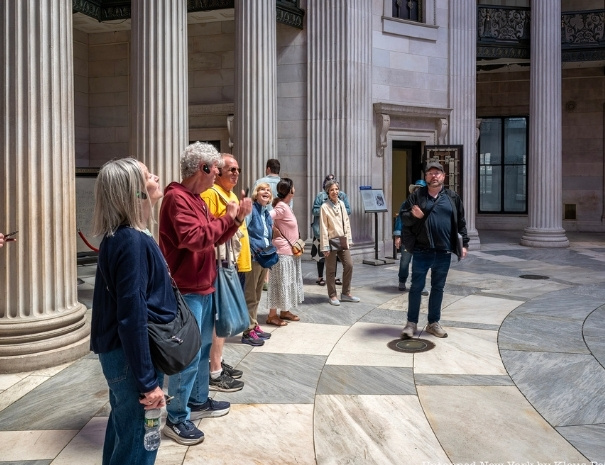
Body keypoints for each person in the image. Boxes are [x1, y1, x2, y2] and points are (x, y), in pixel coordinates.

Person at [159, 142, 252, 446]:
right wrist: (229, 219)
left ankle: (197, 400)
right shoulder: (176, 199)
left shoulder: (196, 199)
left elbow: (214, 235)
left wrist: (235, 219)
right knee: (186, 356)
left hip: (204, 285)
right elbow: (195, 239)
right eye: (217, 169)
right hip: (187, 291)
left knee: (202, 349)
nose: (220, 174)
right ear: (203, 168)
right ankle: (176, 418)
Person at [90, 158, 168, 465]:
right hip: (132, 358)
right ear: (135, 191)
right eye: (149, 176)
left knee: (125, 430)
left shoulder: (125, 237)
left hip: (125, 356)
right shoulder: (132, 241)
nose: (157, 178)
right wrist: (148, 381)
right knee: (139, 439)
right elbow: (132, 315)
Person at [400, 162, 469, 339]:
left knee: (438, 288)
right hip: (422, 251)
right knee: (416, 287)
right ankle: (411, 323)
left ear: (443, 176)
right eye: (430, 173)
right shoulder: (417, 196)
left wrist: (464, 244)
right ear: (426, 177)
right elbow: (404, 217)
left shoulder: (452, 197)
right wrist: (413, 216)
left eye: (437, 173)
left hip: (443, 251)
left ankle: (433, 323)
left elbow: (461, 222)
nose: (434, 176)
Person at [201, 154, 249, 392]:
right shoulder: (211, 194)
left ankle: (216, 360)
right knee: (219, 318)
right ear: (217, 171)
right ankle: (214, 370)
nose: (235, 173)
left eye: (237, 170)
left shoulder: (229, 194)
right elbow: (208, 231)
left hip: (231, 262)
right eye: (231, 169)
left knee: (225, 316)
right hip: (218, 263)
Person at [266, 178, 304, 326]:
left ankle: (284, 311)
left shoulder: (286, 205)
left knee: (287, 282)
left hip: (290, 251)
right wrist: (272, 230)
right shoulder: (281, 207)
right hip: (282, 251)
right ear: (290, 190)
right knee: (279, 283)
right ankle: (272, 315)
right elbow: (267, 217)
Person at [243, 182, 274, 344]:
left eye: (268, 190)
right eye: (262, 189)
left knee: (257, 294)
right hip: (253, 258)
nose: (266, 192)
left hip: (264, 258)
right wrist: (251, 249)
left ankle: (254, 325)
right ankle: (247, 331)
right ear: (256, 193)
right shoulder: (252, 210)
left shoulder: (266, 213)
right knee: (250, 295)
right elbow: (243, 232)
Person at [320, 179, 360, 306]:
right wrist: (325, 246)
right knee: (331, 270)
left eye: (336, 189)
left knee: (349, 265)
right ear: (328, 191)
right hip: (330, 241)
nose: (335, 192)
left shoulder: (342, 204)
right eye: (332, 190)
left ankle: (346, 293)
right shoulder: (324, 207)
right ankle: (332, 295)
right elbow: (323, 227)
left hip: (342, 240)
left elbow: (346, 223)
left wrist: (349, 239)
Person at [311, 174, 351, 286]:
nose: (335, 191)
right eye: (329, 182)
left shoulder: (342, 196)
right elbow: (314, 210)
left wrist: (337, 212)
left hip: (337, 231)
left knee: (336, 255)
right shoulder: (320, 196)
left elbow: (348, 209)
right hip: (321, 231)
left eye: (336, 188)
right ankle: (320, 276)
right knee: (321, 255)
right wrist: (327, 210)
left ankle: (334, 276)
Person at [393, 179, 428, 296]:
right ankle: (402, 281)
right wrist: (398, 236)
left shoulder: (428, 204)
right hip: (408, 238)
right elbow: (400, 220)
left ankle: (420, 285)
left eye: (420, 189)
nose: (417, 191)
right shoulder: (406, 204)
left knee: (421, 263)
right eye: (416, 189)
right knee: (405, 261)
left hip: (421, 239)